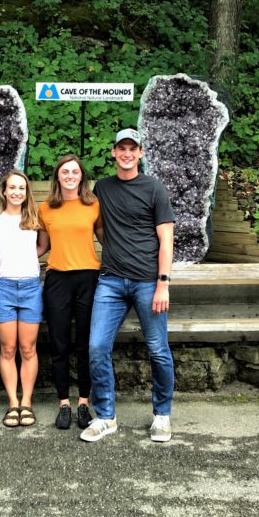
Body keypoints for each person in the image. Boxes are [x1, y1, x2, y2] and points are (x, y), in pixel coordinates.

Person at [80, 128, 176, 443]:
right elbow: (98, 226)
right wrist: (113, 249)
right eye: (121, 148)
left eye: (132, 148)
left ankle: (162, 416)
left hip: (148, 281)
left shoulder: (154, 188)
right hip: (110, 281)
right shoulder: (102, 188)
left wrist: (163, 283)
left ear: (141, 153)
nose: (126, 153)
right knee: (96, 347)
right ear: (113, 152)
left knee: (158, 350)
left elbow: (166, 238)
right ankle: (106, 417)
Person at [37, 155, 101, 430]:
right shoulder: (46, 208)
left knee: (85, 345)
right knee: (59, 345)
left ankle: (84, 403)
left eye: (75, 172)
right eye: (65, 172)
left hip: (88, 278)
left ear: (81, 176)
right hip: (57, 279)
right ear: (58, 177)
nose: (70, 175)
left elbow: (106, 239)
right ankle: (64, 403)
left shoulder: (93, 205)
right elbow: (40, 247)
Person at [0, 170, 43, 428]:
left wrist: (29, 260)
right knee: (8, 348)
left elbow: (44, 245)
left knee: (28, 348)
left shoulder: (33, 217)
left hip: (31, 287)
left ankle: (27, 402)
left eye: (21, 188)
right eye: (12, 188)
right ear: (4, 191)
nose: (16, 192)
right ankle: (13, 402)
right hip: (3, 288)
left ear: (26, 192)